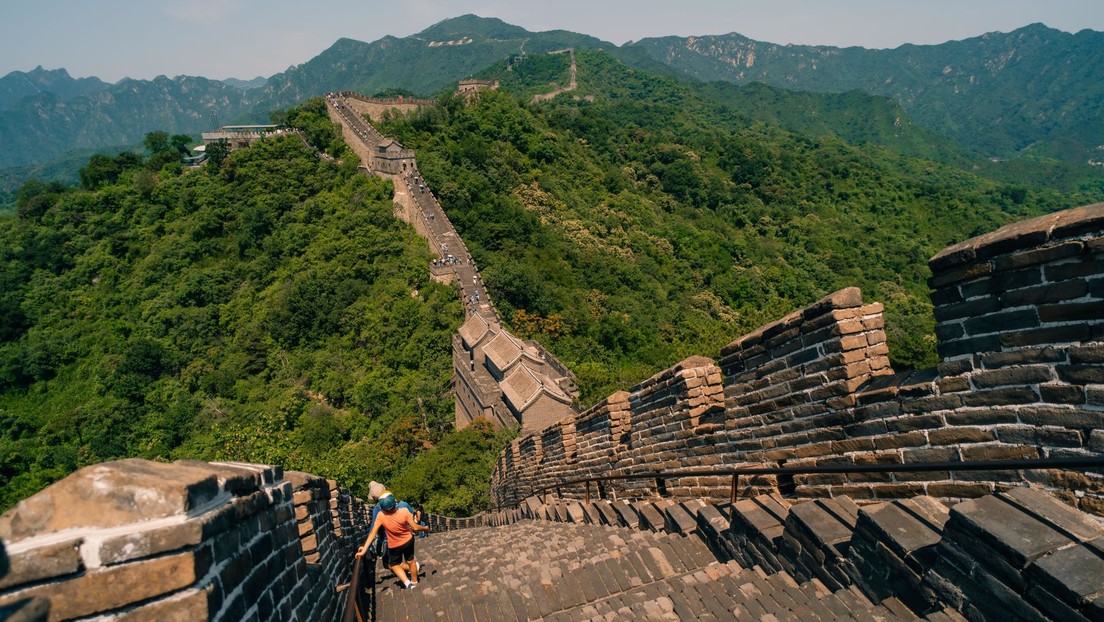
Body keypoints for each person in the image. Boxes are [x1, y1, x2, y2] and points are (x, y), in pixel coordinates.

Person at [357, 495, 429, 589]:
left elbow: (372, 534)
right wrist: (425, 528)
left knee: (394, 565)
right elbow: (415, 527)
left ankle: (407, 583)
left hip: (395, 545)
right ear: (395, 504)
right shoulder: (404, 511)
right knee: (411, 561)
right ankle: (415, 581)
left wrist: (364, 550)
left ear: (382, 508)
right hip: (408, 540)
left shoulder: (381, 515)